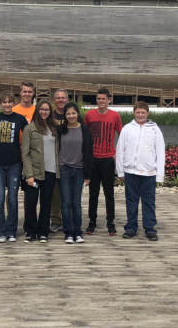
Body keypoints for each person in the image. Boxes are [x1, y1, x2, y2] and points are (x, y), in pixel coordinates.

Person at [115, 101, 165, 241]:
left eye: (143, 112)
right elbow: (120, 150)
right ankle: (131, 227)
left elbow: (160, 152)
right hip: (131, 171)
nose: (140, 115)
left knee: (149, 201)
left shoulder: (155, 129)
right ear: (134, 113)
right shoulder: (127, 129)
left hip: (149, 173)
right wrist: (121, 171)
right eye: (138, 112)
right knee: (131, 201)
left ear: (148, 113)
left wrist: (159, 175)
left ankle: (150, 229)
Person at [84, 88, 123, 236]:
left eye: (103, 99)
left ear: (109, 100)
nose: (101, 101)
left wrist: (116, 152)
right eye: (98, 98)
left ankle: (110, 222)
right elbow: (85, 136)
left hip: (107, 160)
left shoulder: (115, 116)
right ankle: (92, 222)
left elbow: (122, 135)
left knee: (109, 193)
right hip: (93, 159)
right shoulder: (89, 115)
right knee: (93, 193)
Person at [21, 99, 60, 243]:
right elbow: (25, 153)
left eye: (47, 109)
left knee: (46, 202)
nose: (44, 112)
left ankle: (43, 232)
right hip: (35, 172)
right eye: (41, 109)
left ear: (50, 112)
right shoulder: (30, 128)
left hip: (50, 171)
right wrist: (29, 174)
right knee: (31, 202)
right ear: (37, 111)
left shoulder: (54, 128)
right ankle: (30, 232)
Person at [0, 90, 28, 243]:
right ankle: (0, 231)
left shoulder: (20, 119)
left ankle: (11, 231)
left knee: (12, 199)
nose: (7, 104)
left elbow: (29, 137)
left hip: (14, 164)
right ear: (0, 103)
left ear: (14, 103)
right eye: (4, 102)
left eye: (9, 102)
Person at [57, 102, 93, 244]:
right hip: (64, 169)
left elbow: (89, 153)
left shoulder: (85, 130)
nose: (71, 116)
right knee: (66, 203)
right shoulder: (60, 130)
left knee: (76, 203)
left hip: (79, 170)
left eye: (73, 113)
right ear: (65, 116)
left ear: (77, 113)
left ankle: (77, 232)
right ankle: (68, 232)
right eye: (68, 114)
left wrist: (88, 175)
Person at [49, 89, 69, 233]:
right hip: (53, 158)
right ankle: (55, 220)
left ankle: (68, 219)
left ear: (67, 99)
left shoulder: (72, 114)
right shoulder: (50, 116)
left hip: (69, 158)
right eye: (58, 98)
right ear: (54, 100)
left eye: (63, 98)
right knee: (55, 193)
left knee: (68, 192)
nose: (61, 100)